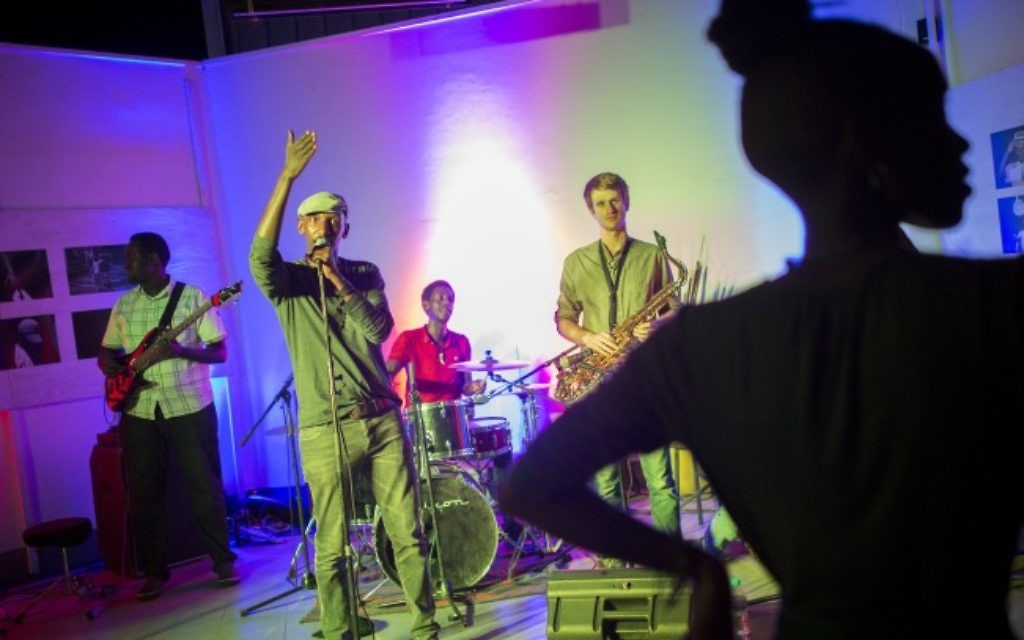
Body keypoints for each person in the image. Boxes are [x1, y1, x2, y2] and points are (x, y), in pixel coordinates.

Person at [501, 1, 1023, 638]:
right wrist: (591, 339)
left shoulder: (700, 346)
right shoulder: (995, 303)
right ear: (861, 142)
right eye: (929, 117)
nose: (960, 141)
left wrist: (695, 569)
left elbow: (530, 484)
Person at [249, 130, 439, 640]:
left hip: (379, 420)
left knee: (408, 532)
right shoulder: (287, 281)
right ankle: (340, 631)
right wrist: (288, 176)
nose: (324, 225)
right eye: (314, 218)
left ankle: (424, 627)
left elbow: (379, 330)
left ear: (344, 227)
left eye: (333, 218)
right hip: (322, 427)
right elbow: (258, 257)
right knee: (331, 544)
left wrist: (336, 278)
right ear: (301, 226)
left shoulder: (362, 272)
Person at [97, 232, 238, 602]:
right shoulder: (124, 305)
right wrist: (116, 371)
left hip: (188, 405)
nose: (127, 265)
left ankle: (223, 564)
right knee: (144, 493)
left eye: (133, 258)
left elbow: (220, 353)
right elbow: (105, 354)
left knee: (204, 487)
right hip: (139, 410)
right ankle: (154, 574)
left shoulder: (192, 298)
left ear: (156, 260)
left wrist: (179, 351)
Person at [552, 171, 681, 559]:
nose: (609, 209)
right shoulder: (576, 262)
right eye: (601, 203)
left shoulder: (653, 256)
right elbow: (563, 318)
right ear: (591, 210)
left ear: (626, 201)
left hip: (643, 375)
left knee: (659, 477)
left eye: (615, 200)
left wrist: (655, 325)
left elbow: (673, 310)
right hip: (597, 375)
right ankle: (614, 561)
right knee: (606, 479)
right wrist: (589, 338)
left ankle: (671, 562)